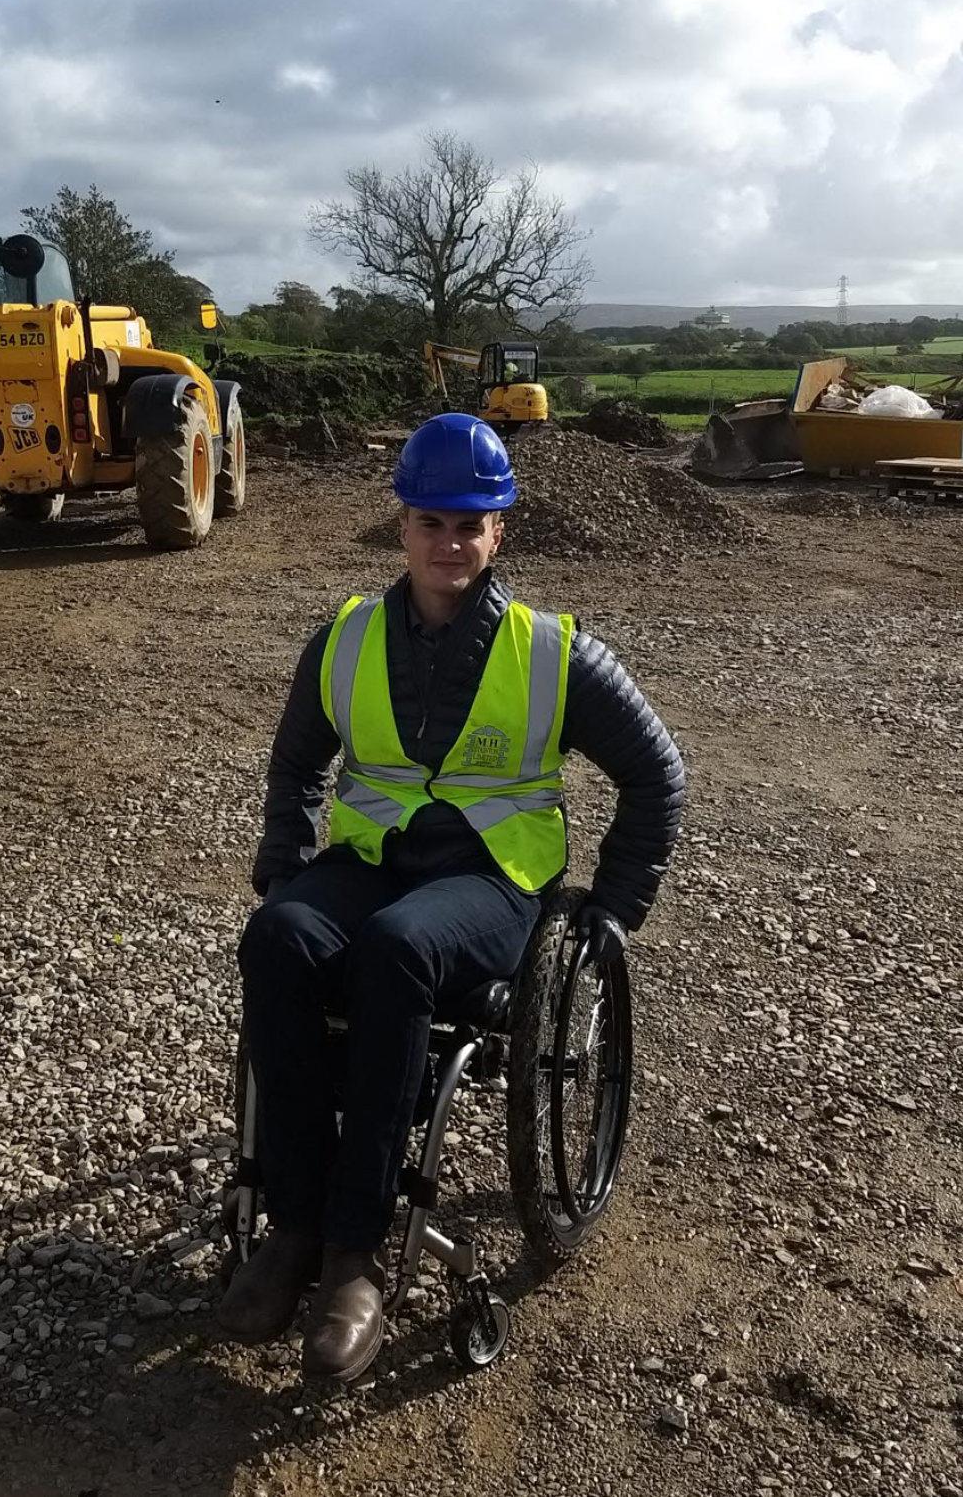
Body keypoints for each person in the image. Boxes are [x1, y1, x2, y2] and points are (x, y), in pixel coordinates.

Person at [218, 412, 685, 1382]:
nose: (451, 542)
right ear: (403, 524)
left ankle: (356, 1257)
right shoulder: (345, 639)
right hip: (374, 857)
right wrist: (282, 861)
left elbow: (657, 775)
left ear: (500, 531)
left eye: (471, 525)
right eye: (433, 521)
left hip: (490, 879)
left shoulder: (554, 652)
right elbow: (297, 762)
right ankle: (293, 1227)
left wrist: (614, 905)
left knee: (398, 947)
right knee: (280, 938)